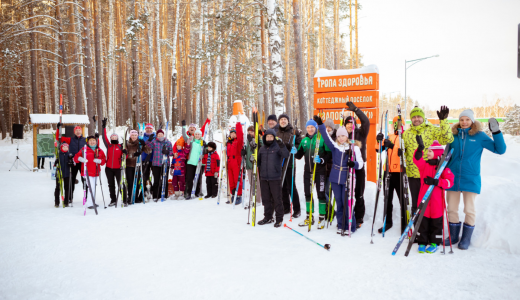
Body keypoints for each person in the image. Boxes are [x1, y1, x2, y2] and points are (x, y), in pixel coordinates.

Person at [445, 110, 507, 250]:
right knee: (452, 209)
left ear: (472, 121)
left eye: (467, 119)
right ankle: (453, 236)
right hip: (452, 178)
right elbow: (446, 154)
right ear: (459, 121)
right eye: (462, 119)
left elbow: (500, 150)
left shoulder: (479, 136)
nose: (464, 122)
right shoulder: (453, 136)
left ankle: (466, 238)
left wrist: (496, 133)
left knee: (469, 209)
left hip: (471, 178)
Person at [315, 115, 363, 235]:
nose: (341, 138)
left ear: (347, 136)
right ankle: (341, 225)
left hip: (347, 178)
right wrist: (321, 124)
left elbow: (361, 164)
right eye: (339, 136)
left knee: (347, 203)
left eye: (343, 136)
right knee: (339, 203)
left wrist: (353, 164)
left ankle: (349, 226)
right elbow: (326, 137)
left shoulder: (353, 148)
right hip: (335, 178)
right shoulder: (335, 146)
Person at [403, 105, 453, 213]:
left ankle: (430, 226)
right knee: (415, 202)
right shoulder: (406, 134)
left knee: (430, 203)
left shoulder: (431, 129)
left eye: (418, 116)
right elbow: (403, 151)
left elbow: (447, 139)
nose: (416, 119)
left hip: (429, 173)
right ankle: (416, 227)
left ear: (423, 117)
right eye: (414, 117)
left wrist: (443, 121)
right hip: (413, 174)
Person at [413, 137, 454, 253]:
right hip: (424, 200)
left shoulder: (443, 169)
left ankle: (434, 242)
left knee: (436, 224)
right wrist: (420, 149)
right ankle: (422, 242)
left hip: (437, 202)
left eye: (430, 151)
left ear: (437, 153)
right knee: (423, 222)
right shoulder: (424, 166)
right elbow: (417, 159)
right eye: (428, 151)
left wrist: (437, 182)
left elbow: (450, 182)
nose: (427, 153)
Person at [294, 119, 332, 229]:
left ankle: (321, 218)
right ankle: (309, 216)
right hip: (308, 172)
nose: (310, 129)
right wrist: (295, 152)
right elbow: (299, 155)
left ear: (316, 128)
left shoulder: (321, 139)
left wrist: (321, 159)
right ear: (306, 128)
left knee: (321, 194)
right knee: (308, 194)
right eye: (308, 127)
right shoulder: (304, 140)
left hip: (319, 172)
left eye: (312, 127)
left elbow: (329, 154)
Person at [375, 116, 407, 234]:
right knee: (387, 199)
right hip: (388, 172)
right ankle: (387, 222)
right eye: (395, 124)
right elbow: (378, 149)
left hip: (400, 172)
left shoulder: (405, 137)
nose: (397, 126)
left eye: (399, 124)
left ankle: (405, 224)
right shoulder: (389, 136)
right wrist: (379, 140)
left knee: (402, 200)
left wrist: (393, 146)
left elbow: (404, 152)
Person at [344, 101, 370, 228]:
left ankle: (359, 216)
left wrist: (356, 110)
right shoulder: (342, 136)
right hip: (346, 167)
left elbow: (366, 122)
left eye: (351, 123)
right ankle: (347, 214)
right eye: (347, 124)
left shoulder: (361, 133)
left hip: (359, 167)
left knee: (359, 192)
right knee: (348, 192)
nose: (349, 125)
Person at [257, 129, 290, 227]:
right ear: (265, 137)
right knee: (266, 199)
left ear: (274, 138)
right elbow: (258, 162)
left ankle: (279, 218)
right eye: (268, 136)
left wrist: (282, 145)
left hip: (275, 177)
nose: (269, 138)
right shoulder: (262, 149)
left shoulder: (278, 147)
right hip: (264, 177)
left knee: (277, 199)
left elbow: (286, 154)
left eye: (271, 137)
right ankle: (268, 217)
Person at [273, 113, 302, 218]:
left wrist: (295, 148)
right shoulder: (276, 133)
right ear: (279, 121)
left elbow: (300, 143)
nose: (283, 121)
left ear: (288, 121)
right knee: (282, 186)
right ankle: (285, 207)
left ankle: (297, 209)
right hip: (279, 163)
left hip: (290, 163)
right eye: (281, 119)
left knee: (291, 186)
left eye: (285, 119)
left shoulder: (293, 132)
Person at [74, 136, 106, 209]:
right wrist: (81, 159)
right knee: (91, 187)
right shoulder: (84, 149)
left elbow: (104, 160)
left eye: (93, 140)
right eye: (90, 141)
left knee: (93, 187)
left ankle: (92, 201)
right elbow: (75, 158)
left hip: (96, 172)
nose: (92, 142)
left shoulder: (99, 150)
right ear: (88, 142)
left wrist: (100, 161)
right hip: (87, 172)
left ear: (96, 141)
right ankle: (89, 203)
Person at [56, 123, 86, 201]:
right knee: (71, 180)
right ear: (74, 132)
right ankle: (69, 197)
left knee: (84, 180)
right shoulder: (70, 139)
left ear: (81, 131)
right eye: (76, 130)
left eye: (79, 130)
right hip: (73, 162)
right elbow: (58, 138)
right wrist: (58, 128)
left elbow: (94, 144)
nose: (78, 132)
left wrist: (96, 138)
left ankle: (87, 197)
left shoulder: (85, 140)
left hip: (83, 162)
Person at [101, 118, 124, 207]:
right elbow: (104, 137)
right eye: (112, 137)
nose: (114, 138)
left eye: (115, 137)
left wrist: (124, 152)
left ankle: (124, 198)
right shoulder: (109, 145)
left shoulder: (120, 146)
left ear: (117, 138)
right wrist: (103, 127)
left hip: (118, 168)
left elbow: (124, 156)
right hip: (109, 169)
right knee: (111, 185)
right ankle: (113, 200)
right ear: (111, 138)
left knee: (120, 184)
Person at [145, 129, 173, 201]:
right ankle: (155, 195)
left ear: (163, 135)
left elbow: (171, 153)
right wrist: (149, 140)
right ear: (157, 135)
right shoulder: (154, 142)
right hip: (156, 164)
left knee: (164, 180)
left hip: (165, 163)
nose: (160, 135)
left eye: (161, 134)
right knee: (156, 180)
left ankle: (165, 195)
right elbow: (148, 145)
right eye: (158, 134)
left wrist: (167, 152)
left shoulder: (168, 142)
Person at [125, 129, 151, 205]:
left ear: (137, 136)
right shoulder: (127, 143)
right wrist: (133, 155)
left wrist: (144, 144)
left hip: (138, 165)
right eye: (132, 135)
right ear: (130, 136)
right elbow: (124, 155)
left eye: (135, 135)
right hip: (129, 165)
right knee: (130, 182)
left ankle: (135, 197)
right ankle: (130, 197)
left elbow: (149, 151)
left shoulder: (139, 143)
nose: (134, 136)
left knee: (137, 182)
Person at [183, 125, 206, 199]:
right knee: (189, 178)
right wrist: (184, 127)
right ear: (194, 134)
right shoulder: (191, 141)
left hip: (199, 163)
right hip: (191, 162)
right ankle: (189, 193)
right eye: (196, 134)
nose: (197, 135)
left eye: (198, 134)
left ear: (201, 135)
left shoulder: (203, 142)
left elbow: (207, 151)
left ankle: (197, 192)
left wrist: (205, 148)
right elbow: (184, 136)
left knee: (199, 178)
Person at [225, 122, 244, 204]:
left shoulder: (238, 141)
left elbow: (240, 136)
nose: (232, 135)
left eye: (234, 133)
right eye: (231, 133)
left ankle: (239, 195)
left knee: (237, 179)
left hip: (236, 162)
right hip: (229, 163)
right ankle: (233, 195)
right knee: (231, 180)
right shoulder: (228, 142)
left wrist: (238, 125)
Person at [245, 126, 263, 206]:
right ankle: (253, 198)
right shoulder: (248, 140)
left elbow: (260, 146)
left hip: (255, 164)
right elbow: (248, 150)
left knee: (257, 183)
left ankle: (258, 200)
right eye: (249, 132)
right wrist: (244, 152)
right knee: (251, 182)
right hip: (249, 165)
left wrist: (255, 140)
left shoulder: (257, 139)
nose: (250, 133)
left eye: (251, 132)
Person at [53, 143, 71, 207]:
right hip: (59, 173)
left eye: (66, 147)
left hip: (67, 174)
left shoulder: (69, 155)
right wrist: (56, 162)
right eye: (64, 147)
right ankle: (57, 202)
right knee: (58, 187)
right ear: (61, 148)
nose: (65, 148)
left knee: (67, 187)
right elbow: (54, 165)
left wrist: (70, 162)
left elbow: (73, 163)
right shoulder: (58, 155)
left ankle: (66, 201)